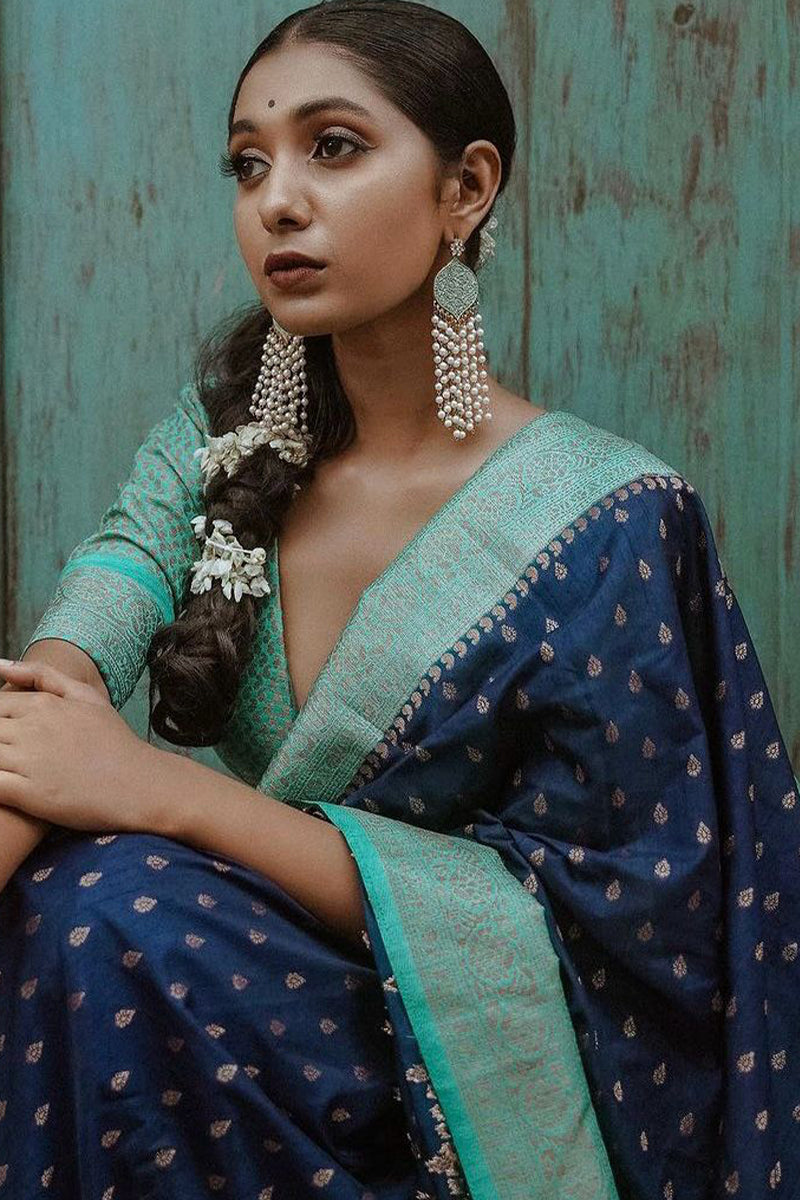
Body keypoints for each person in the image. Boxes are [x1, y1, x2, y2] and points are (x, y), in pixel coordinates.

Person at [0, 2, 797, 1197]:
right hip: (219, 1012)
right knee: (70, 896)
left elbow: (617, 929)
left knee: (112, 905)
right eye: (249, 163)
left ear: (464, 188)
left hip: (456, 1081)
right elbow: (90, 626)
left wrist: (166, 793)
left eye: (333, 147)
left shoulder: (607, 521)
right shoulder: (224, 441)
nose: (277, 202)